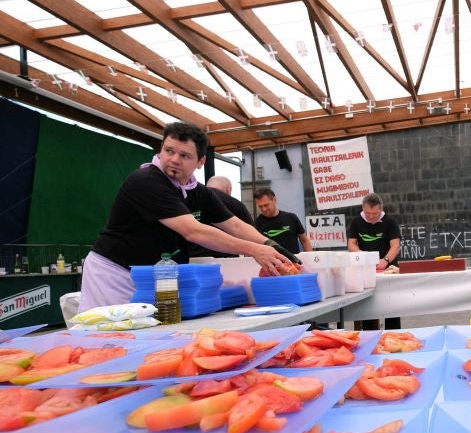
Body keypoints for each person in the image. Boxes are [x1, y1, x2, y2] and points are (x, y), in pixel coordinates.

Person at [79, 122, 295, 312]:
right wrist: (254, 250)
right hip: (115, 274)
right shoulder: (146, 181)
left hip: (154, 277)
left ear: (200, 161)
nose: (174, 160)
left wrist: (269, 243)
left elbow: (235, 225)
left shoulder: (198, 192)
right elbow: (193, 231)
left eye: (184, 155)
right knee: (111, 340)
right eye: (169, 150)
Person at [348, 193, 401, 329]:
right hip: (366, 268)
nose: (371, 216)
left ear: (381, 209)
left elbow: (395, 245)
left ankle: (393, 332)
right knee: (368, 303)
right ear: (363, 208)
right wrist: (363, 256)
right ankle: (369, 332)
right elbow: (351, 244)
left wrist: (386, 260)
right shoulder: (356, 222)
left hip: (388, 267)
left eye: (375, 213)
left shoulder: (390, 222)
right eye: (368, 213)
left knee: (392, 303)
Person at [189, 175, 254, 258]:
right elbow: (250, 235)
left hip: (191, 261)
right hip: (226, 261)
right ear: (228, 190)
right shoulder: (236, 204)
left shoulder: (190, 202)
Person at [253, 188, 313, 254]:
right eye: (260, 206)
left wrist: (310, 258)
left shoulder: (291, 217)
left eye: (266, 205)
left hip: (293, 262)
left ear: (274, 200)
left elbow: (304, 241)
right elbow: (255, 246)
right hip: (272, 263)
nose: (264, 209)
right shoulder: (258, 223)